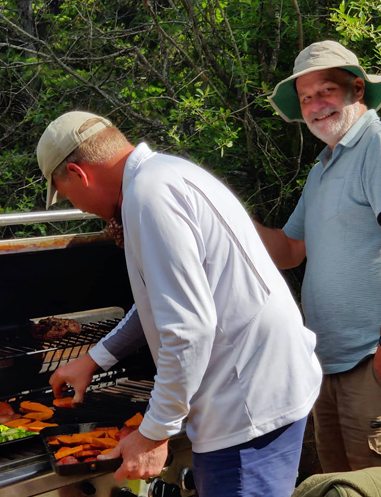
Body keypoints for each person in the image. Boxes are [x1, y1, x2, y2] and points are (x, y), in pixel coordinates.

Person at [36, 111, 322, 497]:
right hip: (269, 385)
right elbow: (164, 302)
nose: (79, 206)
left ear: (78, 172)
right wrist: (95, 358)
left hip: (243, 409)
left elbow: (188, 329)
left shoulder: (148, 198)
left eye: (66, 192)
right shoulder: (168, 173)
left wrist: (154, 433)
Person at [256, 40, 381, 488]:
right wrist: (223, 213)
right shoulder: (322, 168)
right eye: (305, 99)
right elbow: (288, 249)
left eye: (324, 92)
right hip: (332, 365)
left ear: (356, 90)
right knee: (340, 492)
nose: (314, 106)